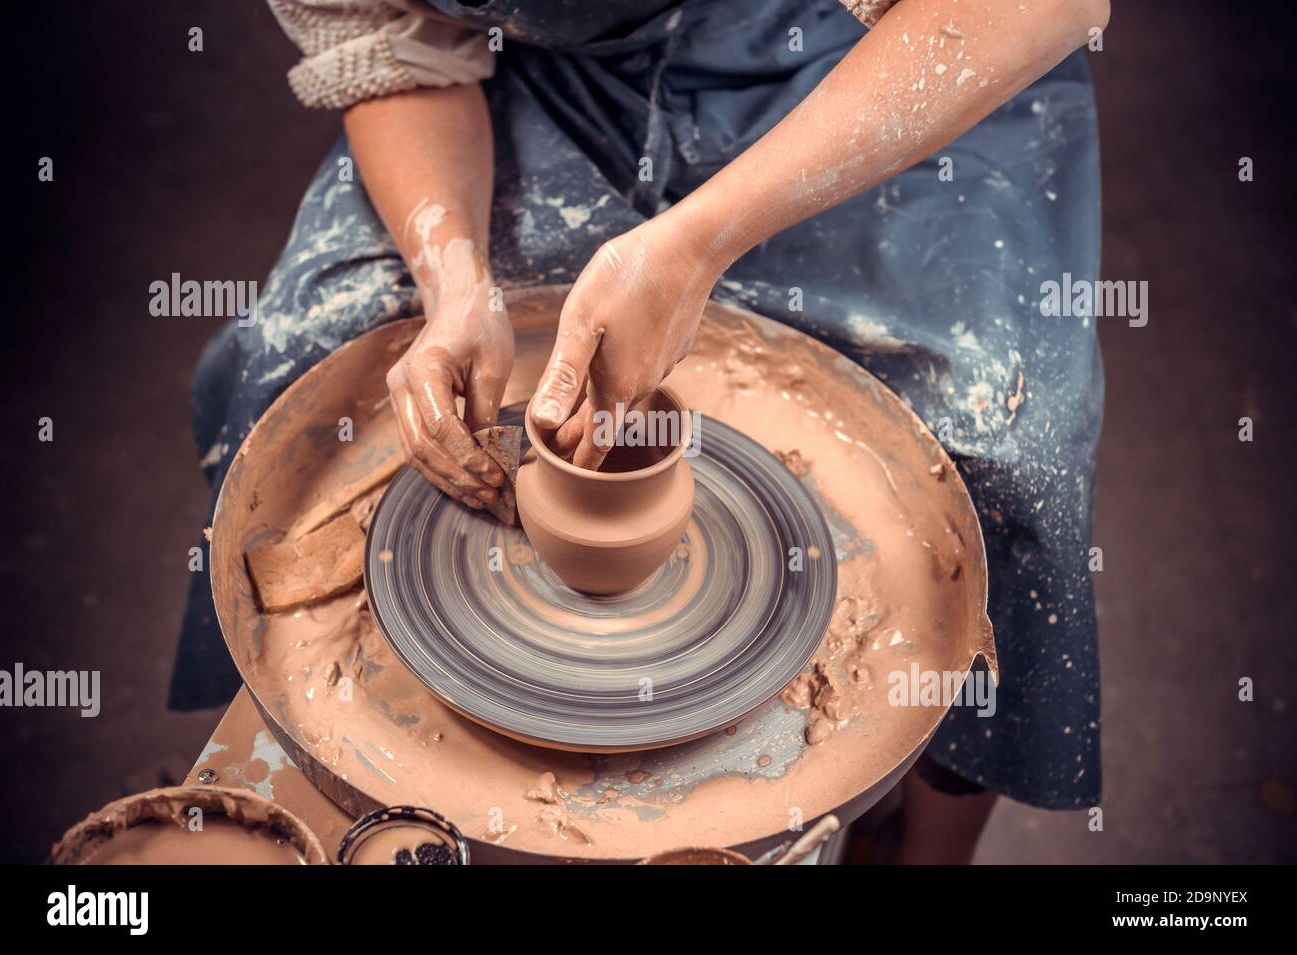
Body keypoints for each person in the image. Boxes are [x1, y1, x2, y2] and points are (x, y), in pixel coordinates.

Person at [175, 0, 1110, 863]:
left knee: (1003, 447)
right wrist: (454, 279)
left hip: (867, 56)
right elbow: (396, 50)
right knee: (300, 363)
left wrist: (702, 239)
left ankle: (926, 853)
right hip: (543, 74)